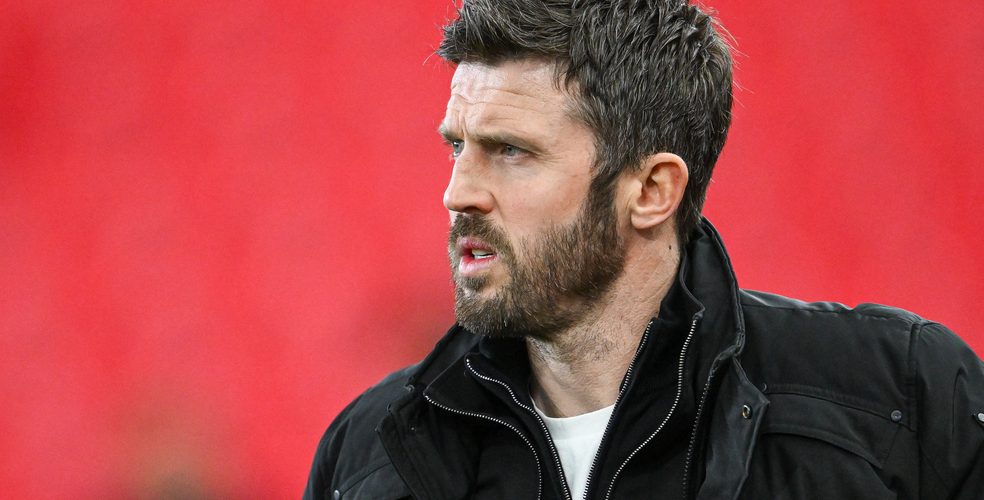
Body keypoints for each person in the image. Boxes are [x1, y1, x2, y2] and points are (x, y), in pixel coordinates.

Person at [304, 1, 984, 498]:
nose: (458, 193)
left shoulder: (901, 402)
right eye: (459, 146)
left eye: (511, 151)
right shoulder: (370, 450)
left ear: (653, 189)